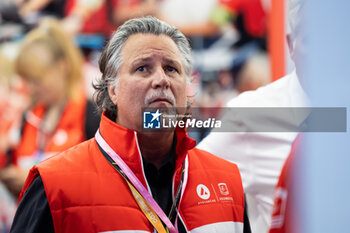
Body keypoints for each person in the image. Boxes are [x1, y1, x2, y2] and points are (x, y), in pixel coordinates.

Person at [10, 17, 250, 233]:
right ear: (112, 89)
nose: (161, 80)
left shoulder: (228, 182)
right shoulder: (54, 187)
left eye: (171, 68)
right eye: (142, 68)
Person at [197, 0, 308, 232]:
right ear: (291, 45)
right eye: (311, 39)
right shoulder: (254, 113)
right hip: (246, 53)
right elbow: (190, 184)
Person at [0, 18, 100, 198]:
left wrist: (39, 182)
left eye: (37, 80)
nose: (30, 88)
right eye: (26, 80)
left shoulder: (90, 116)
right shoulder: (28, 117)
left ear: (62, 67)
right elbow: (11, 164)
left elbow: (101, 181)